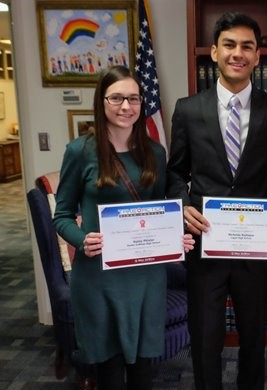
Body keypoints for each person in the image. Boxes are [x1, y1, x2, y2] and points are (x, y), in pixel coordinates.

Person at [166, 12, 267, 390]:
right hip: (206, 246)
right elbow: (175, 173)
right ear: (213, 51)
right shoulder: (188, 110)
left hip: (255, 250)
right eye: (229, 44)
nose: (237, 53)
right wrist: (182, 203)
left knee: (254, 339)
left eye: (247, 46)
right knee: (205, 339)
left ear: (258, 57)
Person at [53, 65, 195, 390]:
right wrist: (81, 238)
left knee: (144, 371)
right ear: (101, 102)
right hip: (99, 277)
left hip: (145, 277)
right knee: (110, 373)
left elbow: (160, 212)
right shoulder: (80, 151)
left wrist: (176, 236)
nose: (126, 107)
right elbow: (61, 215)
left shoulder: (155, 153)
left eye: (133, 98)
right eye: (116, 98)